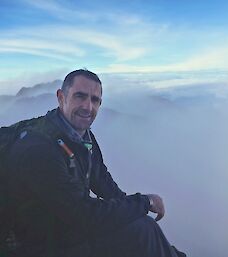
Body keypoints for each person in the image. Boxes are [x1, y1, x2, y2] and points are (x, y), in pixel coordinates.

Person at [6, 69, 186, 257]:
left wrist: (135, 208)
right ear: (61, 97)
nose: (88, 107)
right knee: (141, 231)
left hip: (60, 228)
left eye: (95, 100)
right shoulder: (39, 150)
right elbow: (84, 215)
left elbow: (103, 183)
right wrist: (143, 202)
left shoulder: (82, 138)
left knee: (142, 225)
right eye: (80, 96)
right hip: (33, 245)